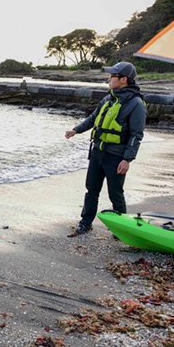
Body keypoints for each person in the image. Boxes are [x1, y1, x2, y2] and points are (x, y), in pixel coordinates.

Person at [65, 62, 146, 237]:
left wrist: (127, 159)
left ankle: (122, 229)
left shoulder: (136, 104)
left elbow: (136, 134)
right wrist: (76, 130)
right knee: (91, 190)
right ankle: (85, 223)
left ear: (123, 79)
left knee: (115, 194)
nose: (108, 79)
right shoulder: (108, 98)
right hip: (98, 151)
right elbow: (94, 118)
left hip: (116, 156)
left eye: (112, 76)